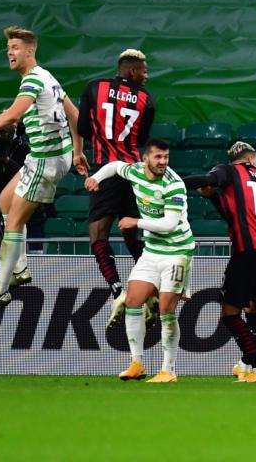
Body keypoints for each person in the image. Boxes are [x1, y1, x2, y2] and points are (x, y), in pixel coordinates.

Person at [0, 26, 85, 310]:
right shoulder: (47, 77)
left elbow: (13, 113)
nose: (9, 53)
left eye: (14, 48)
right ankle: (21, 269)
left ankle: (0, 290)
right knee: (3, 201)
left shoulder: (32, 82)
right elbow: (75, 114)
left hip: (45, 160)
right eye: (8, 49)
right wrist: (77, 152)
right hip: (50, 156)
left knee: (13, 222)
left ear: (29, 51)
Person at [85, 138, 193, 383]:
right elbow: (114, 166)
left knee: (166, 308)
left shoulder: (173, 184)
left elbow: (169, 224)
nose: (163, 162)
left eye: (166, 157)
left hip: (177, 251)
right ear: (146, 158)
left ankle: (168, 370)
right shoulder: (134, 171)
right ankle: (136, 363)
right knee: (133, 301)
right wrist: (97, 178)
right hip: (153, 252)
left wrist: (137, 222)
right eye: (158, 157)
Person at [183, 141, 256, 383]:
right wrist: (213, 196)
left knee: (229, 313)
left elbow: (208, 179)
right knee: (254, 309)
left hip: (247, 251)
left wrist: (174, 184)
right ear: (253, 158)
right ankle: (247, 363)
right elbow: (233, 211)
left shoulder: (228, 170)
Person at [77, 48, 156, 327]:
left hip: (105, 170)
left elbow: (84, 128)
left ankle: (117, 290)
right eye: (144, 70)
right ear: (132, 71)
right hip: (133, 172)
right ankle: (152, 290)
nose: (146, 76)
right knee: (133, 236)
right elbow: (142, 137)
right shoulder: (147, 100)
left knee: (98, 235)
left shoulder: (93, 87)